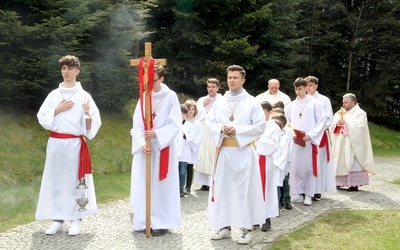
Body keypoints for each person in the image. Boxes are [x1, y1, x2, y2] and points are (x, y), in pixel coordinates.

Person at [36, 55, 102, 236]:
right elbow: (42, 117)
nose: (66, 72)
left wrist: (88, 115)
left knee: (76, 182)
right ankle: (57, 219)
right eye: (64, 68)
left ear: (77, 71)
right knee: (57, 181)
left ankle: (76, 219)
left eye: (70, 68)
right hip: (56, 144)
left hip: (74, 145)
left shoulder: (84, 96)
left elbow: (93, 124)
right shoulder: (53, 95)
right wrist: (57, 110)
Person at [206, 65, 266, 245]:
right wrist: (220, 128)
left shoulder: (251, 102)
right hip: (224, 152)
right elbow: (210, 122)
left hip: (243, 153)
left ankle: (246, 228)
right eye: (229, 77)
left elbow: (260, 126)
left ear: (243, 80)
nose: (231, 80)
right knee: (224, 189)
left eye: (235, 77)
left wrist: (237, 129)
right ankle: (225, 226)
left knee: (243, 191)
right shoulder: (220, 102)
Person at [130, 65, 182, 237]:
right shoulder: (144, 97)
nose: (149, 84)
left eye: (153, 80)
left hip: (162, 147)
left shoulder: (170, 96)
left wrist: (157, 134)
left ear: (161, 79)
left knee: (161, 185)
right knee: (145, 183)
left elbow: (175, 123)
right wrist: (141, 142)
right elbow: (136, 123)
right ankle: (144, 220)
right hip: (147, 149)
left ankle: (161, 222)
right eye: (147, 80)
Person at [285, 77, 326, 206]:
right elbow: (287, 122)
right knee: (296, 167)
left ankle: (309, 194)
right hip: (296, 141)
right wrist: (291, 133)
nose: (298, 92)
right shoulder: (291, 105)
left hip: (309, 141)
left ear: (306, 88)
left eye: (301, 89)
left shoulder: (314, 104)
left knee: (309, 168)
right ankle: (297, 193)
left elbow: (321, 122)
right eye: (296, 89)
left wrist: (311, 134)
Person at [330, 93, 375, 191]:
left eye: (346, 102)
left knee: (354, 163)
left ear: (353, 103)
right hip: (341, 143)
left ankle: (353, 184)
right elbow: (333, 122)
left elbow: (360, 127)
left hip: (353, 144)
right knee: (339, 161)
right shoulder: (340, 112)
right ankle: (339, 182)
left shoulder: (360, 113)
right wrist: (336, 123)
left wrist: (345, 124)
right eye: (343, 102)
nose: (344, 105)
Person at [305, 76, 336, 200]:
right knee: (305, 163)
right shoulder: (302, 99)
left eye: (310, 85)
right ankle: (304, 189)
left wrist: (315, 131)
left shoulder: (324, 100)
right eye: (306, 86)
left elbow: (328, 118)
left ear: (316, 86)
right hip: (305, 136)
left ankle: (317, 190)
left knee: (318, 163)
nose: (308, 88)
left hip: (319, 136)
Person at [255, 101, 281, 232]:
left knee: (266, 189)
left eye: (262, 112)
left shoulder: (274, 127)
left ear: (270, 112)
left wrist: (259, 135)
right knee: (253, 189)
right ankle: (253, 217)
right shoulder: (253, 124)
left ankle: (266, 218)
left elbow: (272, 146)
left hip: (265, 161)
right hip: (252, 159)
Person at [194, 78, 222, 191]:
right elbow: (194, 115)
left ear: (218, 88)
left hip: (215, 131)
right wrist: (202, 106)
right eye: (209, 87)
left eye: (213, 87)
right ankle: (204, 183)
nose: (210, 89)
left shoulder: (222, 100)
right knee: (203, 155)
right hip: (203, 130)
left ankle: (215, 181)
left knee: (214, 154)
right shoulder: (202, 100)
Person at [180, 99, 203, 195]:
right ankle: (180, 187)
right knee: (182, 167)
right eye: (188, 109)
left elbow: (199, 136)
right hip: (183, 147)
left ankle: (188, 186)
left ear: (195, 111)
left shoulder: (197, 123)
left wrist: (192, 143)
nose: (190, 111)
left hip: (192, 147)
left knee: (189, 167)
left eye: (192, 109)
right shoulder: (181, 122)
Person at [271, 113, 292, 210]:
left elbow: (286, 154)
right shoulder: (271, 137)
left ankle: (282, 203)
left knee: (282, 185)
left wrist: (276, 164)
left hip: (279, 167)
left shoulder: (285, 138)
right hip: (270, 166)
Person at [178, 104, 188, 197]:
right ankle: (175, 188)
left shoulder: (188, 125)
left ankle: (181, 188)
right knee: (175, 170)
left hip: (184, 151)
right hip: (176, 151)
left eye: (184, 114)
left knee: (182, 171)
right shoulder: (175, 123)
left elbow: (191, 137)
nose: (183, 116)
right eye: (181, 113)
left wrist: (185, 135)